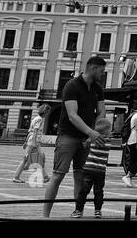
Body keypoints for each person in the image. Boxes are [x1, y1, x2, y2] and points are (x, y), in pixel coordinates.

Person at [44, 56, 106, 219]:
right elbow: (72, 115)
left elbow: (101, 112)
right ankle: (44, 216)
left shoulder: (97, 89)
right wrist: (91, 133)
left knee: (81, 176)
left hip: (85, 138)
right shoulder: (72, 85)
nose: (103, 73)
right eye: (101, 70)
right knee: (58, 175)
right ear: (92, 68)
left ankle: (77, 213)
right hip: (67, 136)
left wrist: (96, 129)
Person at [74, 116, 113, 218]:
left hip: (89, 169)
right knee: (99, 191)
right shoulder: (108, 141)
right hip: (100, 171)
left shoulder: (91, 140)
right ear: (107, 131)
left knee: (84, 191)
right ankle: (98, 211)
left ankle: (78, 210)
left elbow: (85, 145)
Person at [13, 104, 49, 184]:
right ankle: (16, 176)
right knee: (28, 159)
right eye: (47, 112)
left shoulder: (36, 118)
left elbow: (30, 131)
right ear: (45, 112)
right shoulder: (39, 119)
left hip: (32, 140)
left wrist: (26, 142)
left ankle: (45, 177)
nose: (48, 114)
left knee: (39, 157)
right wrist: (33, 142)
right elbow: (35, 131)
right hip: (34, 141)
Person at [121, 102, 137, 187]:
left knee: (133, 160)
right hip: (135, 140)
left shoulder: (134, 114)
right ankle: (128, 176)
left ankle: (129, 180)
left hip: (132, 140)